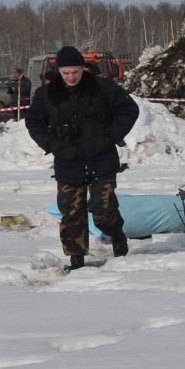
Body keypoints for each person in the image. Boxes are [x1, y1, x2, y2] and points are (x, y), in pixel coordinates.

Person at [24, 45, 140, 269]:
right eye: (65, 73)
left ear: (82, 68)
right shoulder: (46, 94)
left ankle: (116, 234)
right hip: (68, 160)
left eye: (75, 72)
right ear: (58, 71)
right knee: (71, 213)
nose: (71, 77)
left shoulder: (102, 87)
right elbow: (34, 122)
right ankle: (76, 259)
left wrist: (111, 137)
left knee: (103, 211)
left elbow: (129, 110)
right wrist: (51, 144)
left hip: (101, 158)